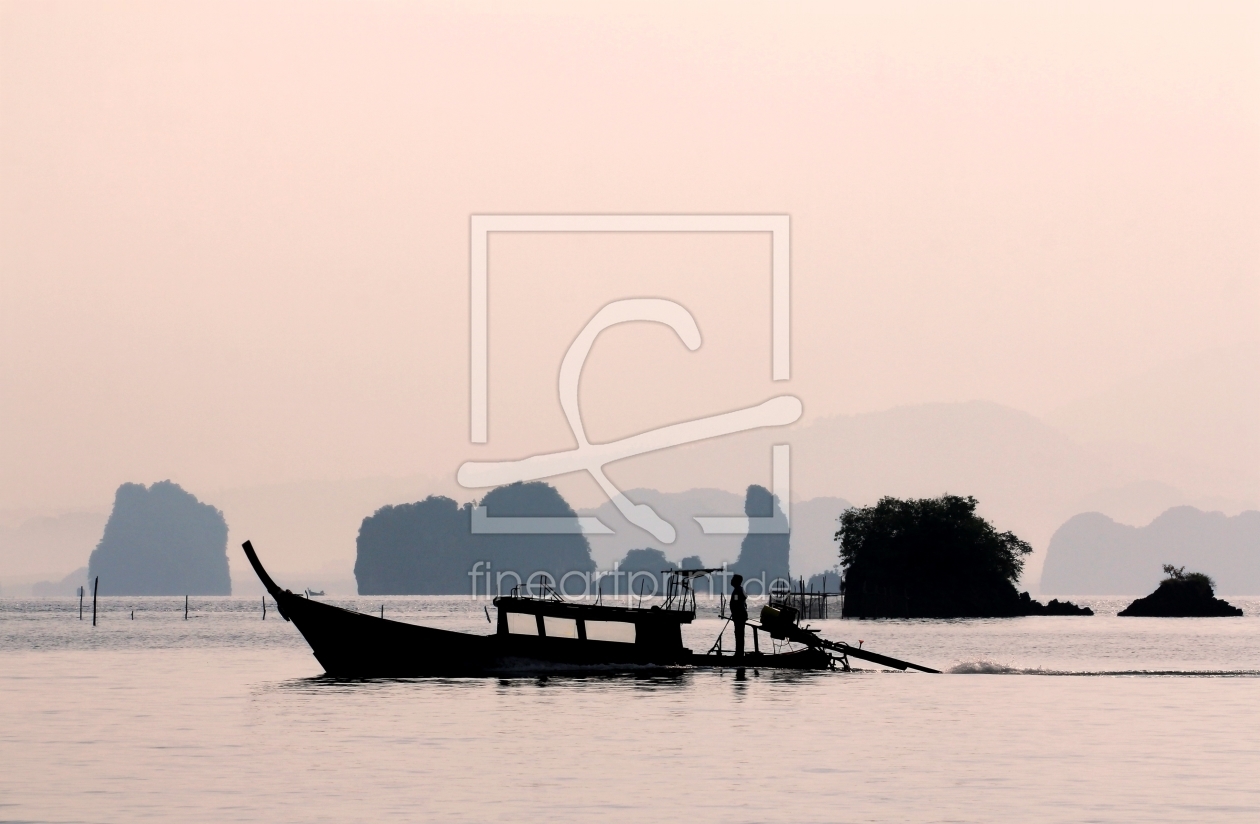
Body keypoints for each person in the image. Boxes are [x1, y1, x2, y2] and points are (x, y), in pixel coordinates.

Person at [729, 573, 748, 658]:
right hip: (740, 614)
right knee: (739, 634)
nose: (731, 581)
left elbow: (736, 602)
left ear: (737, 581)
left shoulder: (737, 591)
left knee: (739, 634)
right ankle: (739, 652)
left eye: (733, 579)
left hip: (739, 615)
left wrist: (735, 613)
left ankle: (739, 653)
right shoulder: (740, 589)